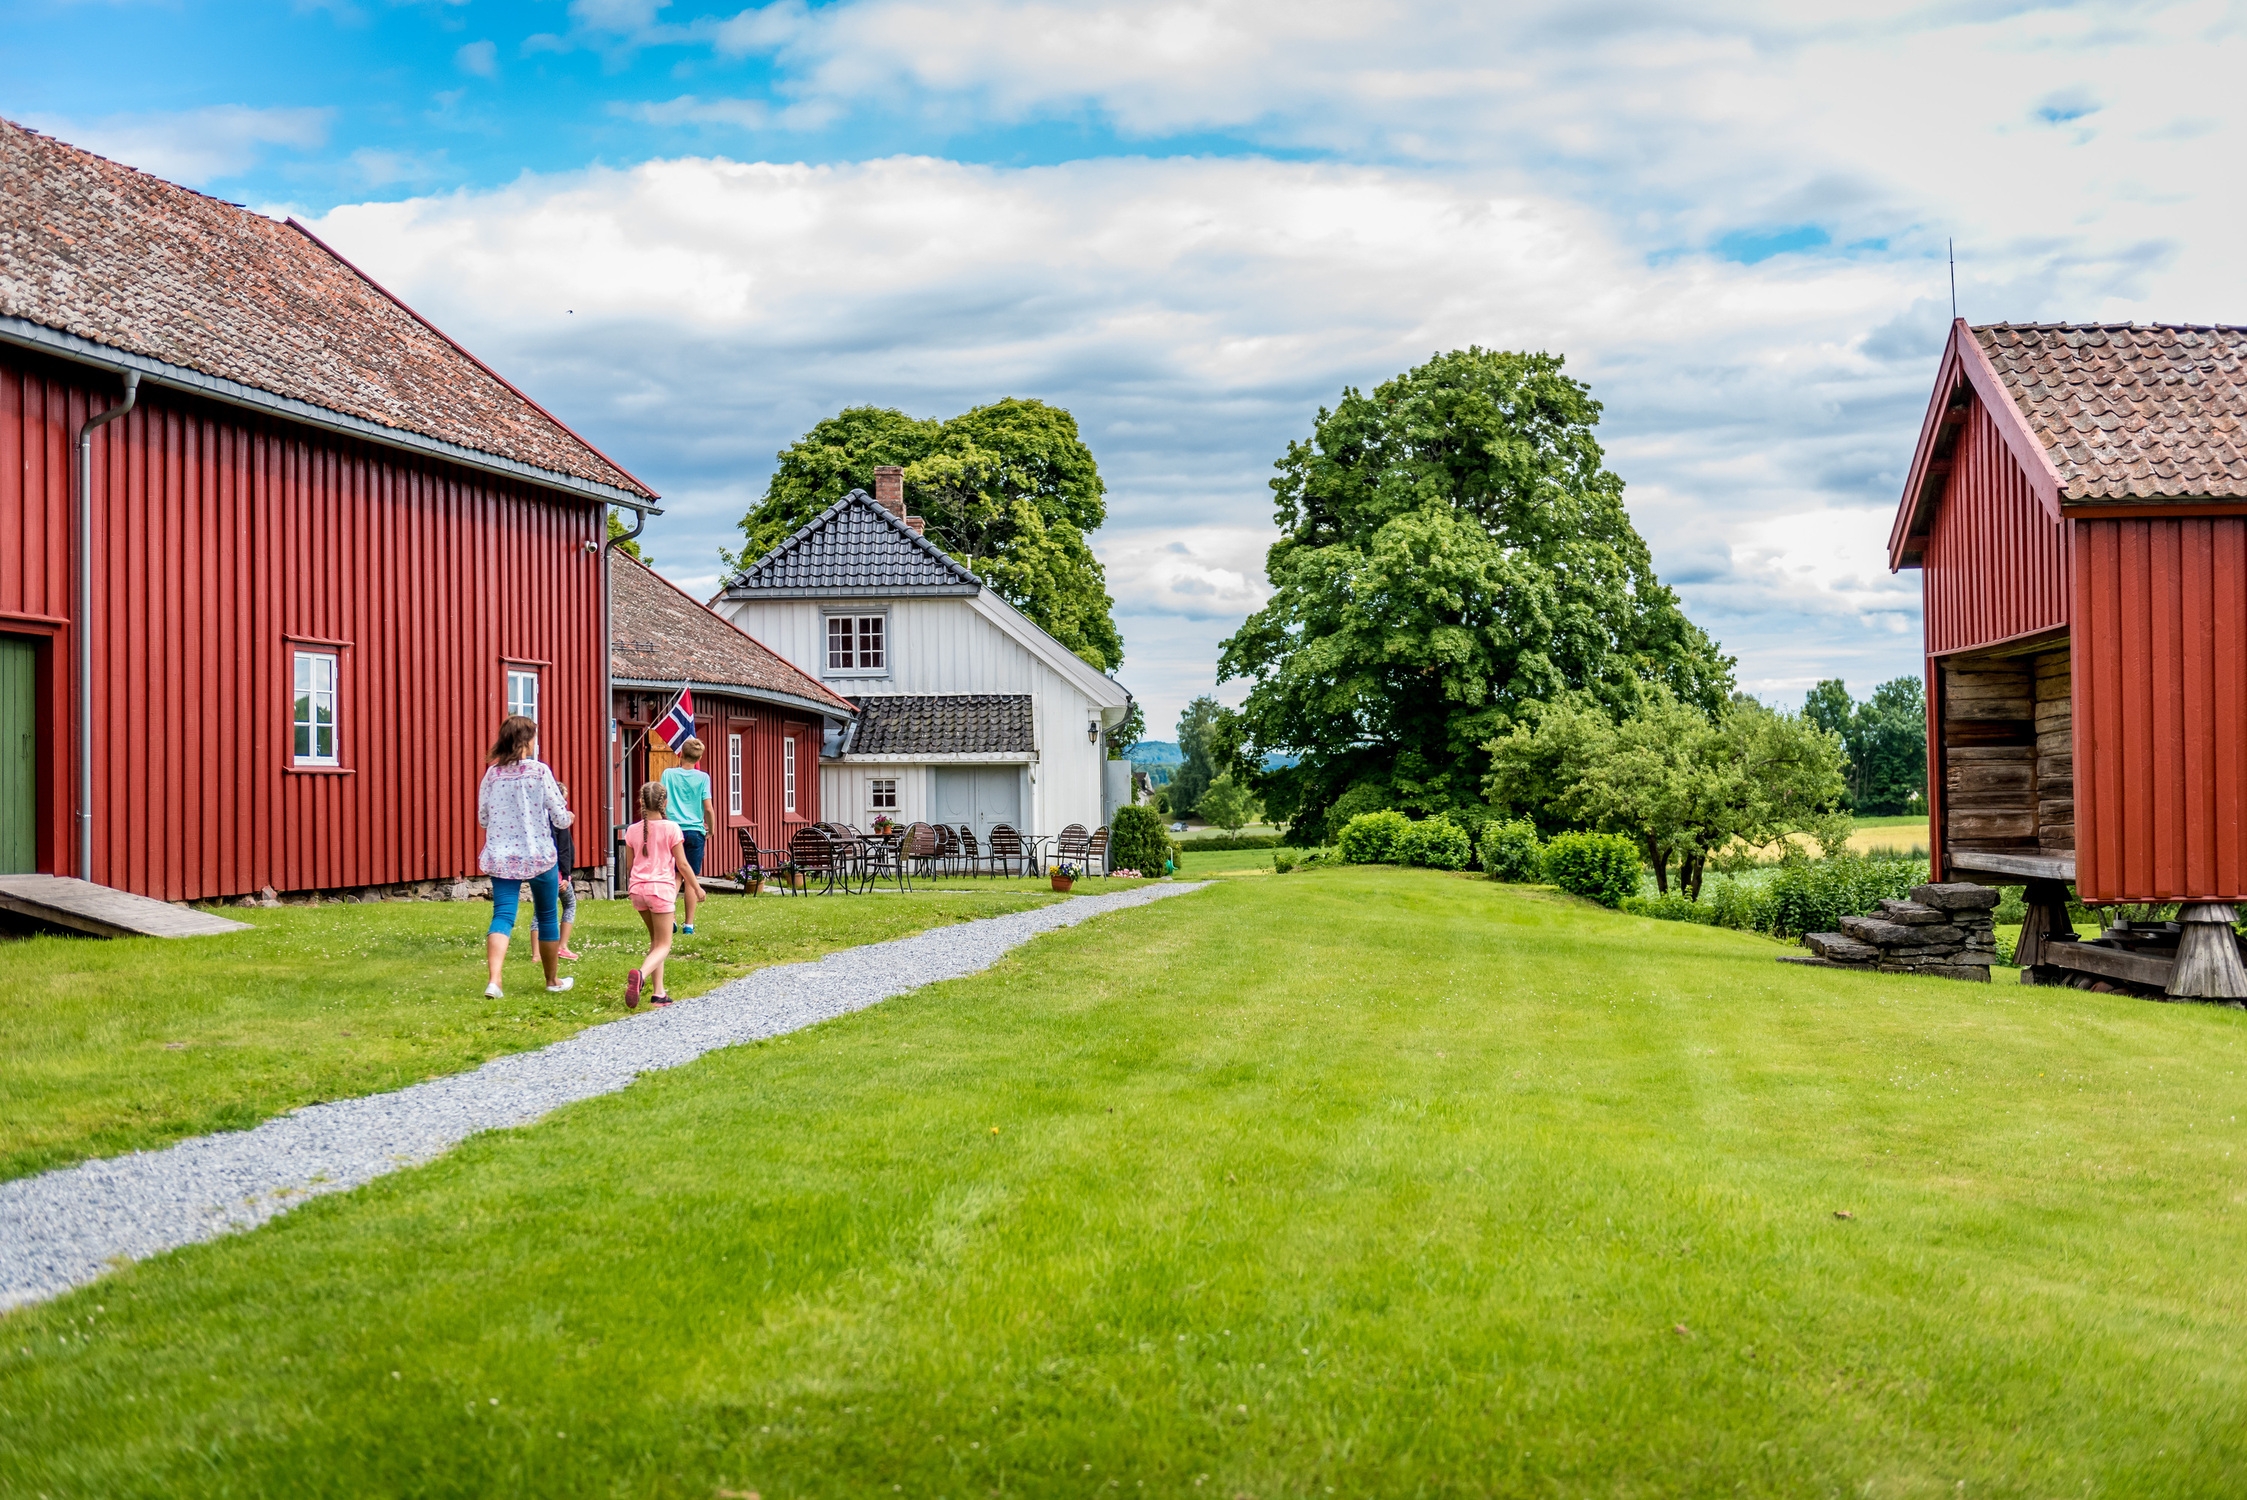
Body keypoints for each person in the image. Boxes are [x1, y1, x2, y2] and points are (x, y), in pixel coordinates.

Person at [477, 714, 574, 999]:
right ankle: (552, 980)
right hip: (538, 855)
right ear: (527, 740)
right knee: (547, 915)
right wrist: (568, 816)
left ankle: (495, 981)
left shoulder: (492, 775)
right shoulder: (539, 772)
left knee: (503, 915)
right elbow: (560, 818)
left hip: (502, 856)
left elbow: (483, 818)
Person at [622, 780, 704, 1009]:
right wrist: (697, 888)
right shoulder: (671, 828)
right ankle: (640, 975)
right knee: (664, 945)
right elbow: (683, 865)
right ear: (664, 803)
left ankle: (659, 994)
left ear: (641, 802)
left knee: (655, 942)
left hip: (637, 890)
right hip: (660, 891)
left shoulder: (632, 830)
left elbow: (629, 865)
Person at [659, 736, 715, 936]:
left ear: (681, 754)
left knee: (673, 875)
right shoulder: (703, 778)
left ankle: (670, 916)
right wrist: (711, 829)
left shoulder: (668, 774)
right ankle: (689, 924)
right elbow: (708, 808)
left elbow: (661, 802)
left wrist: (664, 821)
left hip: (672, 829)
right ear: (699, 758)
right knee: (690, 878)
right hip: (694, 831)